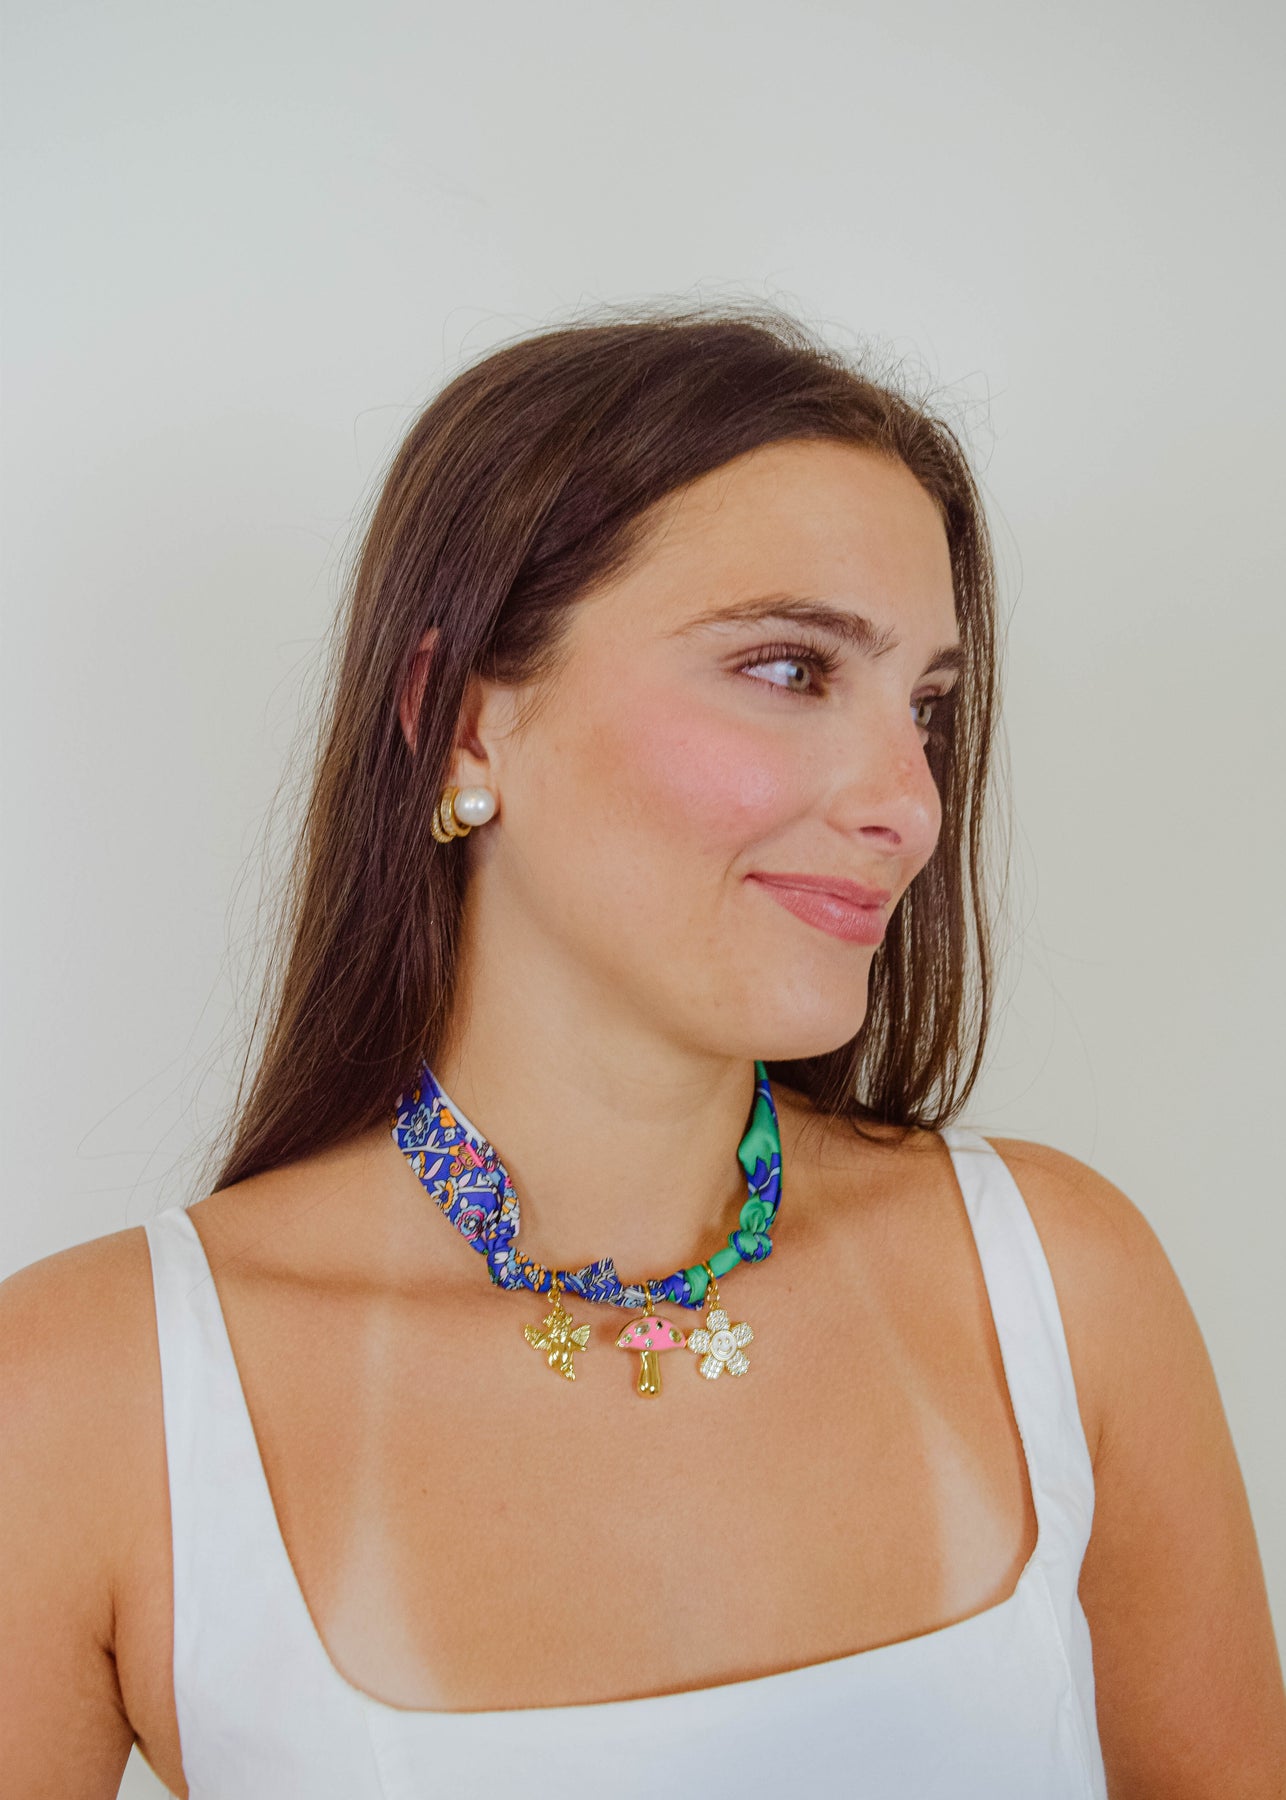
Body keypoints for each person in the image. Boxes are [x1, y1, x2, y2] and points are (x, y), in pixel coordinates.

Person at [2, 305, 1283, 1800]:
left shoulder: (1059, 1289)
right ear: (459, 720)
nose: (910, 805)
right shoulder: (86, 1399)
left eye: (926, 707)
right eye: (791, 669)